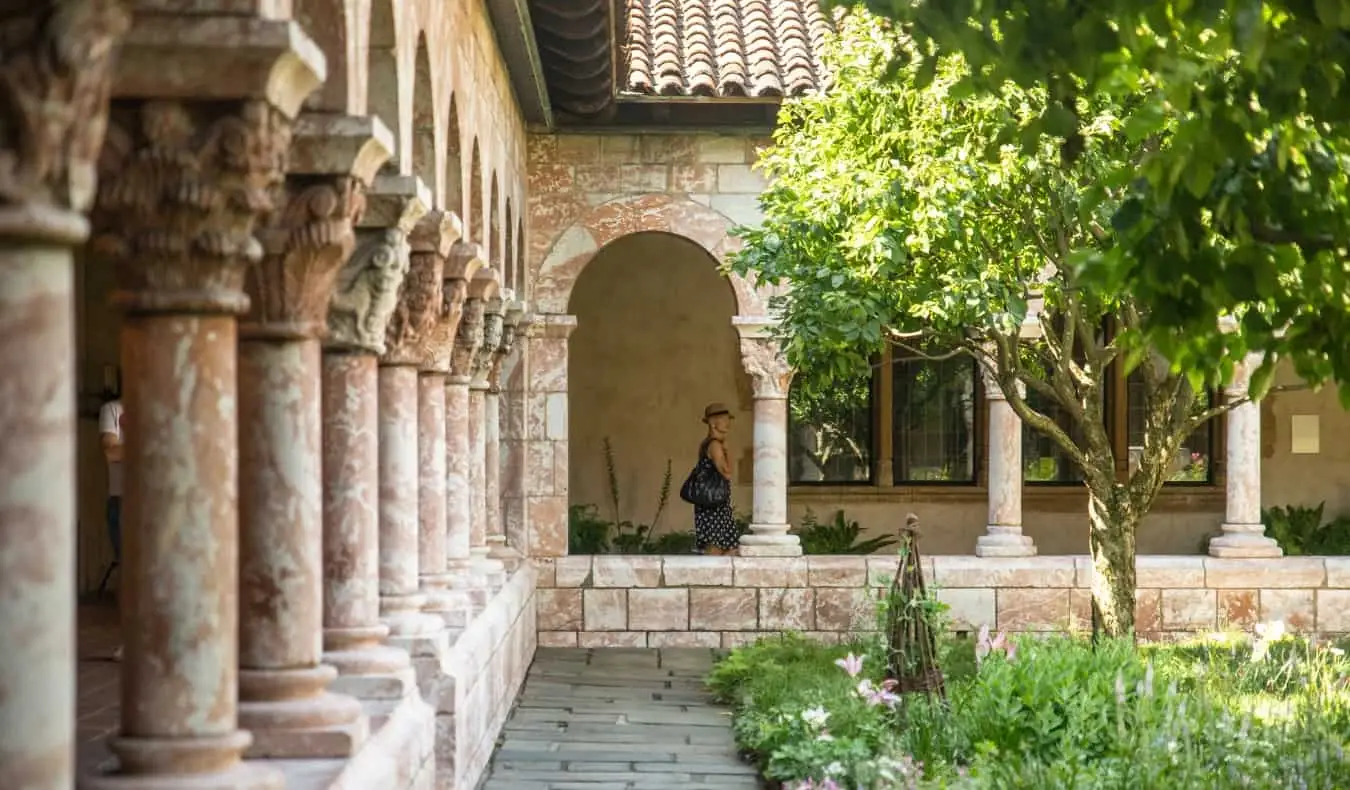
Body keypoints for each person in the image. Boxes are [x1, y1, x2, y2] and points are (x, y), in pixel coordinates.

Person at [693, 402, 739, 556]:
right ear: (713, 423)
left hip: (717, 503)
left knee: (730, 547)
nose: (727, 423)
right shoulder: (714, 445)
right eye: (723, 419)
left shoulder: (711, 444)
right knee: (716, 547)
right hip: (713, 505)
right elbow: (727, 472)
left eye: (727, 419)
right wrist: (727, 451)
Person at [99, 393, 123, 661]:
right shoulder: (113, 410)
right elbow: (110, 451)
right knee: (128, 571)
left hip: (157, 501)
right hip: (123, 499)